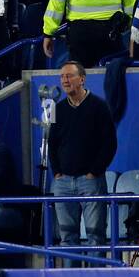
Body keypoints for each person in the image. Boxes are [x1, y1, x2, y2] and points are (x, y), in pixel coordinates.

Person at [48, 61, 117, 260]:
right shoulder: (57, 108)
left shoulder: (99, 106)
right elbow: (52, 143)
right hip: (62, 183)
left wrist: (94, 171)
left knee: (96, 236)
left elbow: (109, 143)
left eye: (69, 76)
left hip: (91, 181)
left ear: (82, 79)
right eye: (62, 77)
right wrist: (57, 173)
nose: (64, 80)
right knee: (67, 237)